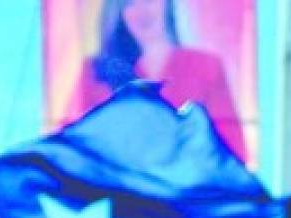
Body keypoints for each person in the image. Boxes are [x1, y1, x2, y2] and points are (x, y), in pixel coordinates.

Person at [66, 0, 247, 160]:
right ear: (117, 10)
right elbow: (69, 149)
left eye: (149, 0)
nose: (142, 11)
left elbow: (234, 151)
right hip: (122, 193)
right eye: (129, 2)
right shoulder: (95, 73)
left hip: (192, 193)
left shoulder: (207, 68)